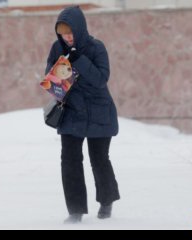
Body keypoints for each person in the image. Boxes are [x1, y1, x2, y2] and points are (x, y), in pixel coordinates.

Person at [45, 6, 120, 224]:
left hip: (99, 112)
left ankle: (106, 202)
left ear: (79, 29)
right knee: (70, 161)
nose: (67, 37)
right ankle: (75, 210)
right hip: (71, 113)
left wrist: (78, 60)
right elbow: (52, 82)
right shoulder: (56, 48)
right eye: (62, 34)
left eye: (70, 33)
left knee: (99, 160)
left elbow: (100, 79)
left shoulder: (97, 47)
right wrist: (59, 71)